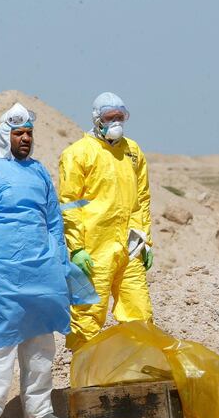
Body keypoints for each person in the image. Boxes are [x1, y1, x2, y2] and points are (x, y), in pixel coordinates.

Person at [0, 103, 70, 418]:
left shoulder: (40, 172)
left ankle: (39, 409)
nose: (25, 139)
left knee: (41, 342)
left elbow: (54, 221)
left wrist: (60, 261)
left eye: (29, 133)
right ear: (4, 135)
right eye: (18, 133)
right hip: (3, 273)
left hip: (41, 272)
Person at [58, 92, 154, 351]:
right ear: (97, 120)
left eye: (119, 117)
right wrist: (76, 248)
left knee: (139, 313)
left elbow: (141, 199)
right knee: (87, 318)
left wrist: (144, 241)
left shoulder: (132, 151)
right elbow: (69, 203)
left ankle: (136, 372)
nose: (116, 123)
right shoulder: (78, 153)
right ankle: (86, 379)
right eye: (110, 118)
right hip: (92, 250)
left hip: (130, 247)